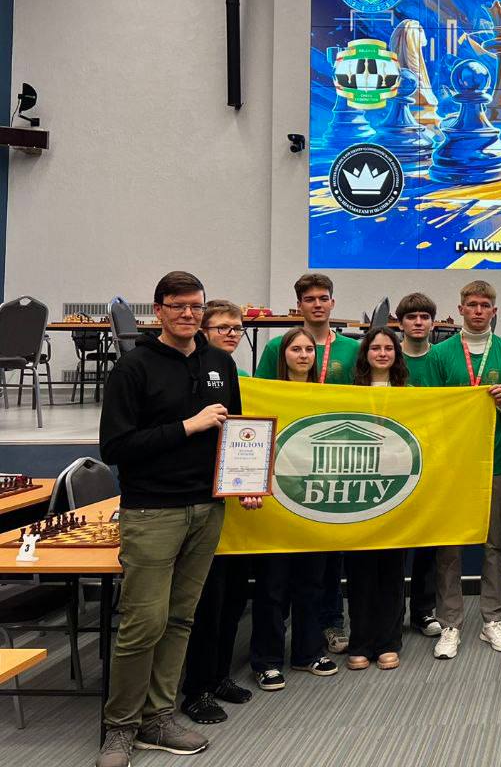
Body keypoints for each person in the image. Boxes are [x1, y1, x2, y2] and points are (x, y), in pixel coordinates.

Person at [97, 272, 259, 767]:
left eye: (196, 306)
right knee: (143, 623)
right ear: (159, 310)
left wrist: (245, 479)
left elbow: (234, 432)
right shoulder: (134, 367)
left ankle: (158, 717)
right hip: (153, 510)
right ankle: (120, 728)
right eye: (178, 305)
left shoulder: (220, 363)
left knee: (181, 618)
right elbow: (115, 447)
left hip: (207, 508)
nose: (188, 314)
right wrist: (188, 426)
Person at [254, 273, 360, 656]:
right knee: (284, 553)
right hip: (288, 460)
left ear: (333, 302)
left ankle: (331, 622)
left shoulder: (351, 349)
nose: (317, 304)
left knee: (330, 550)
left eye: (323, 298)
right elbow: (262, 399)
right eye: (310, 299)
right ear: (299, 305)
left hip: (333, 460)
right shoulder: (277, 347)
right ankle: (278, 631)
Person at [424, 280, 501, 660]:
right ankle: (450, 622)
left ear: (494, 311)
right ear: (461, 309)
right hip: (453, 463)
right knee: (449, 544)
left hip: (495, 459)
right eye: (472, 305)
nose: (479, 311)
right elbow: (430, 409)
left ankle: (492, 620)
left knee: (493, 543)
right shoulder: (439, 354)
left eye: (485, 305)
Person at [249, 328, 340, 692]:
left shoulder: (327, 395)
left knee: (312, 582)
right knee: (272, 586)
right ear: (282, 355)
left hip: (314, 502)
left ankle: (308, 651)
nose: (303, 355)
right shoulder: (267, 393)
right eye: (295, 349)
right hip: (275, 502)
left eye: (308, 350)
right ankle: (267, 660)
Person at [179, 301, 254, 725]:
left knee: (232, 597)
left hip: (229, 498)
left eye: (237, 328)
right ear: (203, 330)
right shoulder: (188, 369)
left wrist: (249, 479)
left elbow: (240, 430)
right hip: (192, 499)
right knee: (205, 602)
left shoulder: (227, 369)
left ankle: (220, 676)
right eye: (222, 327)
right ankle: (197, 689)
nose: (231, 334)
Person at [345, 327, 411, 672]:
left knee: (391, 570)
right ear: (365, 354)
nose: (382, 353)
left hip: (397, 490)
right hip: (359, 493)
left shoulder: (411, 395)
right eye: (375, 348)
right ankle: (360, 641)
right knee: (360, 572)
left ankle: (388, 642)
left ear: (396, 355)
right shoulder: (348, 393)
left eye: (388, 348)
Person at [396, 292, 440, 637]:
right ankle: (392, 611)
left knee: (429, 539)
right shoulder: (387, 355)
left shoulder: (441, 358)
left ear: (433, 323)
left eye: (424, 317)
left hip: (436, 457)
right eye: (411, 317)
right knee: (394, 540)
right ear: (400, 323)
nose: (418, 322)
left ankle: (423, 611)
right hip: (395, 459)